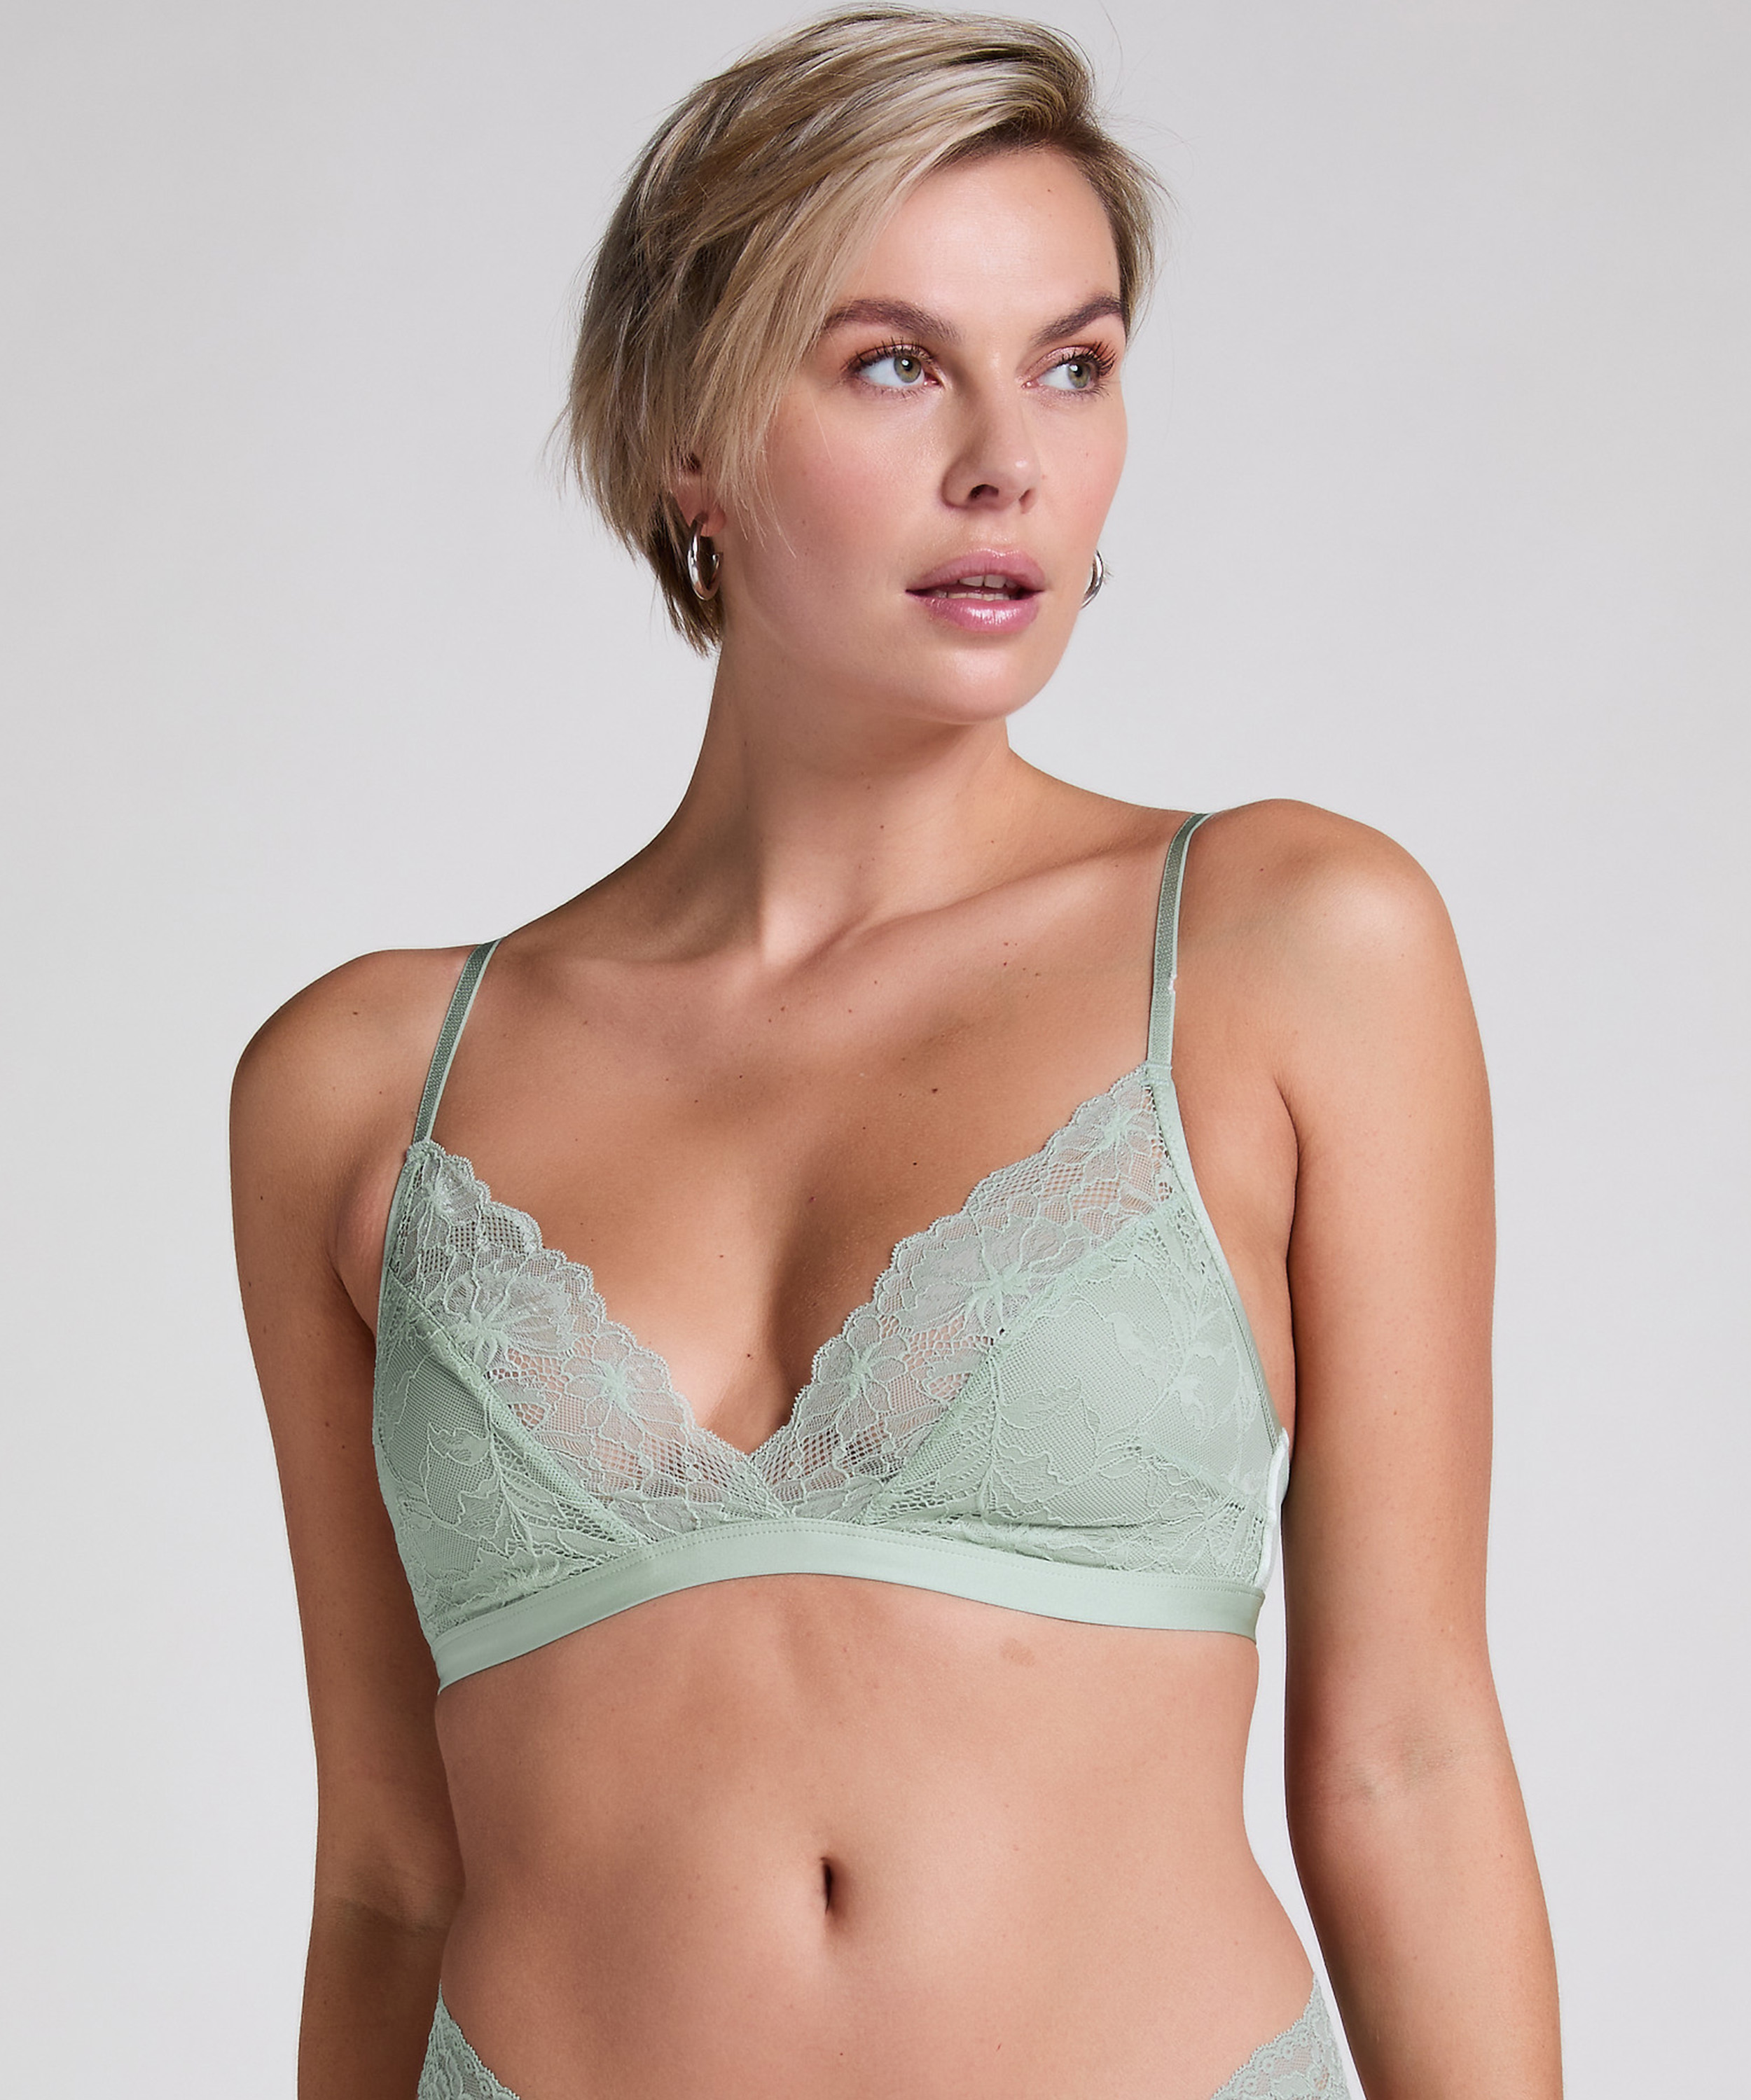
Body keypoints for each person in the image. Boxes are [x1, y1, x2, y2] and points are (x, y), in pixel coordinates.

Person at [231, 11, 1562, 2096]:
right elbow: (392, 1876)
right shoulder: (359, 1083)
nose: (1008, 461)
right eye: (892, 364)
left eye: (1074, 363)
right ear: (689, 444)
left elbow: (1405, 1758)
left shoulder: (1290, 944)